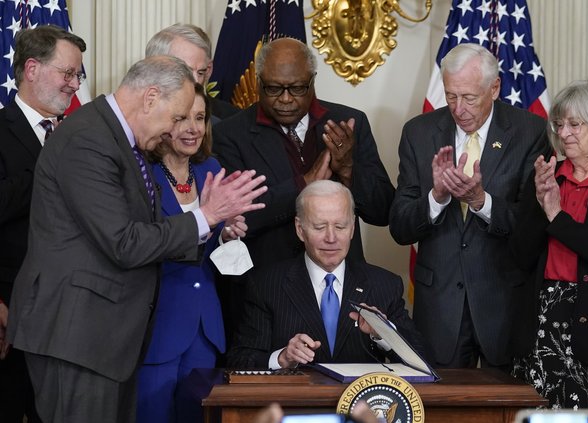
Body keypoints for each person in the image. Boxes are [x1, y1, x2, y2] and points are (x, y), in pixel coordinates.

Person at [6, 55, 267, 423]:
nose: (175, 130)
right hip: (77, 336)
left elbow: (146, 229)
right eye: (176, 117)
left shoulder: (119, 140)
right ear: (150, 98)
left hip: (104, 338)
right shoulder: (89, 139)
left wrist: (209, 221)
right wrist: (205, 216)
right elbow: (124, 242)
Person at [213, 37, 394, 337]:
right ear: (258, 82)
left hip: (341, 291)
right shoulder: (231, 134)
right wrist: (304, 184)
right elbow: (238, 218)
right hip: (268, 296)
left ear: (312, 82)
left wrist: (349, 169)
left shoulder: (349, 123)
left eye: (297, 88)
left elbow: (382, 210)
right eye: (273, 89)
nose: (285, 99)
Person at [389, 43, 550, 369]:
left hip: (503, 300)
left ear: (494, 88)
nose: (458, 108)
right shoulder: (418, 133)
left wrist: (481, 201)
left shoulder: (530, 132)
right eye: (450, 96)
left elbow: (533, 226)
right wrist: (436, 198)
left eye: (469, 98)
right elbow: (399, 227)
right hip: (439, 305)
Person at [509, 79, 588, 421]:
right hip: (543, 330)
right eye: (559, 124)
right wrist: (540, 204)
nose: (564, 134)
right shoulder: (549, 175)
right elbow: (520, 257)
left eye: (575, 124)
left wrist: (557, 217)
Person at [136, 83, 245, 423]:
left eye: (200, 117)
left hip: (205, 327)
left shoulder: (211, 168)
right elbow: (138, 242)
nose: (193, 128)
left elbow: (214, 242)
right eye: (182, 118)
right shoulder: (142, 172)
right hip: (157, 324)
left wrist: (228, 234)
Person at [227, 180, 423, 369]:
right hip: (296, 402)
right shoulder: (266, 284)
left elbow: (421, 359)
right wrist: (282, 358)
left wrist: (384, 334)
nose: (331, 238)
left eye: (340, 227)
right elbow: (239, 360)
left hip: (363, 403)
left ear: (353, 228)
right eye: (320, 227)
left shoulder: (385, 285)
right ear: (300, 229)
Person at [0, 25, 86, 423]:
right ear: (31, 69)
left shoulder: (80, 139)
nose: (74, 85)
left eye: (77, 75)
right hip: (11, 315)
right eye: (67, 73)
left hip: (73, 319)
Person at [145, 23, 239, 121]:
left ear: (209, 69)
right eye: (186, 72)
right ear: (155, 70)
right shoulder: (136, 117)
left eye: (201, 72)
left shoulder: (230, 121)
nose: (196, 82)